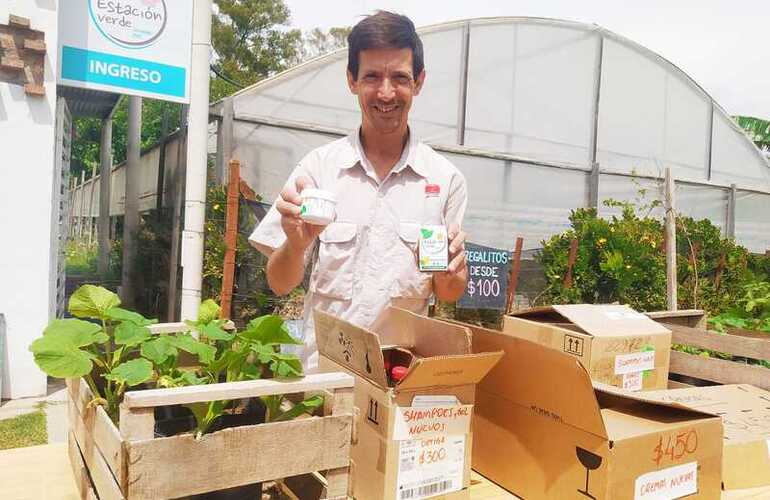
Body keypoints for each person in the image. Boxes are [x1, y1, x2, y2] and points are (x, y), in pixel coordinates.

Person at [249, 10, 468, 369]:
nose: (386, 92)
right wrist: (296, 245)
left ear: (419, 82)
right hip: (325, 377)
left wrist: (453, 275)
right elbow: (279, 283)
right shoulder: (318, 169)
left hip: (398, 377)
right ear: (352, 80)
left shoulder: (445, 179)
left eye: (399, 77)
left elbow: (448, 292)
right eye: (372, 77)